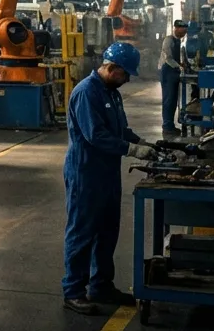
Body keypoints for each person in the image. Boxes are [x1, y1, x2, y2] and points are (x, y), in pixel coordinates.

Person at [62, 41, 158, 315]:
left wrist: (144, 143)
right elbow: (97, 135)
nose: (127, 79)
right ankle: (73, 291)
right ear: (111, 67)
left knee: (107, 231)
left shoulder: (112, 93)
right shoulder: (86, 93)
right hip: (86, 173)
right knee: (82, 232)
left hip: (107, 173)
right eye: (125, 74)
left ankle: (100, 286)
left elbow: (120, 129)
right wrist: (132, 150)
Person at [159, 20, 189, 132]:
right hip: (167, 70)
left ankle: (170, 125)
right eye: (183, 31)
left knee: (173, 100)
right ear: (176, 28)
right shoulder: (168, 40)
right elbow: (168, 58)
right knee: (168, 99)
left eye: (186, 31)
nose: (184, 33)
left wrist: (183, 64)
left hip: (174, 71)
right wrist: (179, 67)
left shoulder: (178, 41)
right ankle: (167, 126)